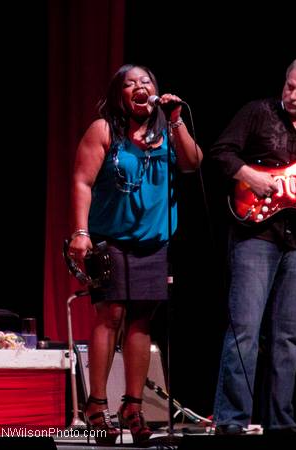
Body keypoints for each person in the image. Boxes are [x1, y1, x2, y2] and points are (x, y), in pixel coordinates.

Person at [67, 64, 202, 445]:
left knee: (142, 320)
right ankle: (96, 406)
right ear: (118, 95)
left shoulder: (167, 131)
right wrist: (81, 233)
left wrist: (176, 122)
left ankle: (133, 406)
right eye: (131, 84)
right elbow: (81, 181)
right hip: (111, 238)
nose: (140, 87)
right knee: (111, 314)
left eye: (147, 82)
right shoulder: (104, 130)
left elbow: (193, 163)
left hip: (153, 240)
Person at [209, 54, 296, 435]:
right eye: (289, 86)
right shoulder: (257, 113)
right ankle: (231, 420)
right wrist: (251, 175)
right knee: (244, 331)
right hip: (254, 236)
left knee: (287, 337)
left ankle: (281, 422)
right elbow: (220, 153)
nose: (292, 94)